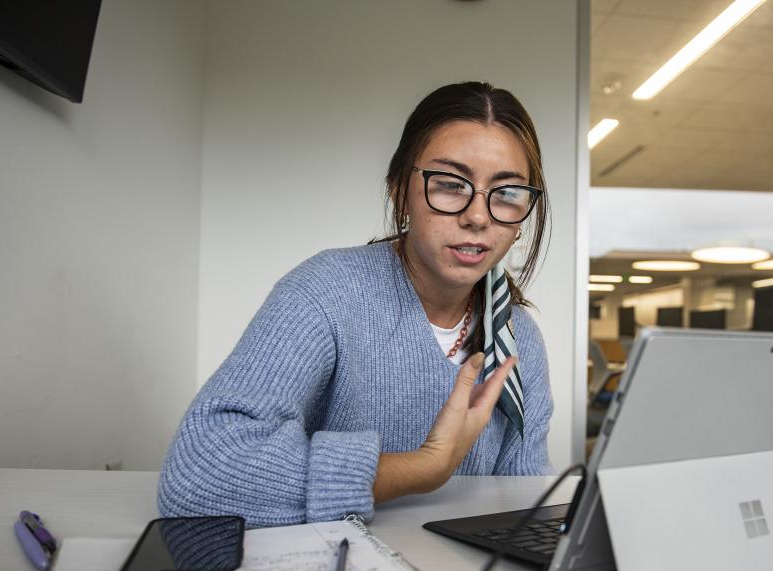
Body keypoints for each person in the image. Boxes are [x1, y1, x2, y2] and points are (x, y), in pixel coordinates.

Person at [158, 82, 554, 527]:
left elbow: (524, 498)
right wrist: (422, 468)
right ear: (400, 191)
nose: (478, 216)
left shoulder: (520, 338)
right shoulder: (325, 292)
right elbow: (199, 476)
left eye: (506, 193)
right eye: (448, 185)